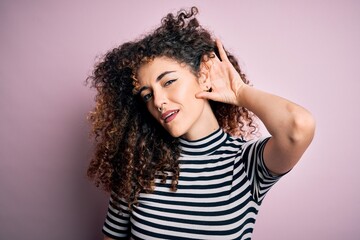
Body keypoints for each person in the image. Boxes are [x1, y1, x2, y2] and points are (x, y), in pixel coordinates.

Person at [87, 6, 315, 240]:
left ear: (203, 75)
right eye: (147, 95)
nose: (159, 101)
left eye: (168, 82)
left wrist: (240, 92)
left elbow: (298, 127)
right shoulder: (137, 165)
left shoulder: (245, 163)